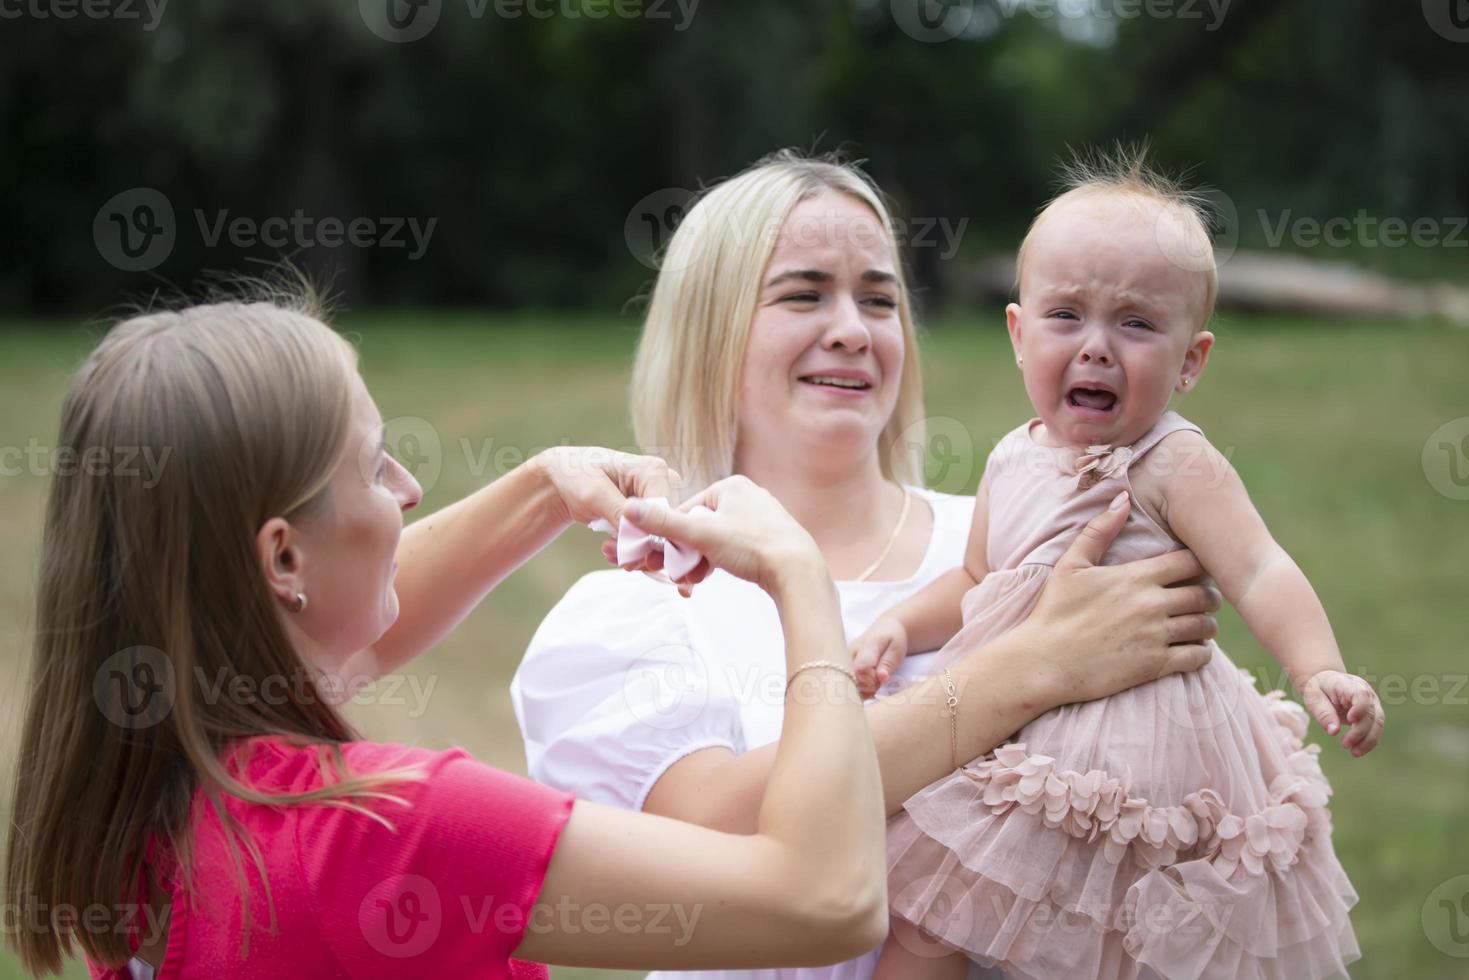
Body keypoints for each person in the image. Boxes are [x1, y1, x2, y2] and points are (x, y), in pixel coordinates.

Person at [4, 291, 914, 978]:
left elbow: (331, 633)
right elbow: (823, 898)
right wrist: (801, 579)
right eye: (375, 461)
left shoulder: (154, 794)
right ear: (281, 560)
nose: (408, 490)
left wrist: (545, 490)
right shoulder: (385, 826)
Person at [512, 150, 1222, 980]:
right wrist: (1033, 669)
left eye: (879, 299)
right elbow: (708, 836)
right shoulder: (641, 606)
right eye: (804, 294)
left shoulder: (1030, 542)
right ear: (711, 328)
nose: (852, 328)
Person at [858, 150, 1377, 979]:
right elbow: (974, 581)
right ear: (1019, 336)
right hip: (1013, 735)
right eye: (1067, 316)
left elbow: (1260, 571)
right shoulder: (1008, 460)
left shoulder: (1174, 462)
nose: (1097, 348)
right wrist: (896, 621)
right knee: (934, 921)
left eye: (1135, 324)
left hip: (1149, 758)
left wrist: (1319, 668)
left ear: (1191, 360)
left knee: (1133, 938)